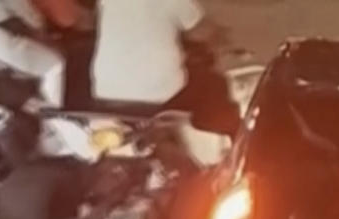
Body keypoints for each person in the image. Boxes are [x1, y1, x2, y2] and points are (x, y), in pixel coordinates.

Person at [91, 0, 237, 135]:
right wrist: (222, 36)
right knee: (215, 84)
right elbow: (202, 30)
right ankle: (230, 149)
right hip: (161, 96)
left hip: (106, 92)